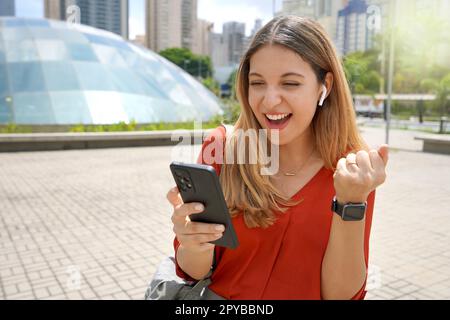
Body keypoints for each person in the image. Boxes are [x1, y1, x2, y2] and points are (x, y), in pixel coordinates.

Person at [166, 16, 389, 300]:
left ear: (325, 85)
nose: (270, 101)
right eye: (257, 83)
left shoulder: (353, 172)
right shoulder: (222, 148)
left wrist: (351, 202)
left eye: (290, 84)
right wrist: (193, 244)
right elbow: (194, 271)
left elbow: (341, 295)